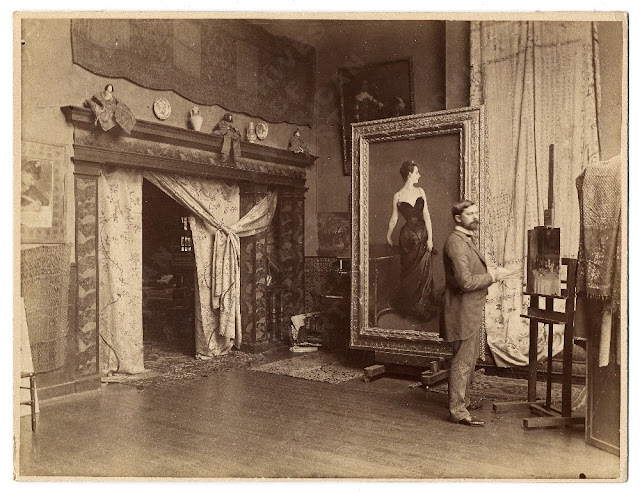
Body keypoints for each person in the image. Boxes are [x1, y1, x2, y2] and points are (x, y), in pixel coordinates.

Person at [440, 200, 512, 427]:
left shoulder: (465, 239)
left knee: (468, 359)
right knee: (462, 361)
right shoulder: (456, 243)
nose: (475, 217)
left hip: (469, 308)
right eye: (470, 214)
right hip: (461, 309)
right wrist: (493, 276)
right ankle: (458, 411)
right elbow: (465, 282)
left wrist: (491, 272)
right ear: (458, 218)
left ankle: (464, 401)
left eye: (476, 213)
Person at [386, 161, 438, 321]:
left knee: (424, 271)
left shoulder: (421, 191)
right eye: (416, 173)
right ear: (409, 174)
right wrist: (388, 235)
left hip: (422, 234)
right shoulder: (397, 195)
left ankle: (422, 308)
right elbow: (394, 218)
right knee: (408, 271)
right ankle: (409, 307)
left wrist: (430, 238)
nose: (419, 175)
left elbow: (427, 215)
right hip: (408, 238)